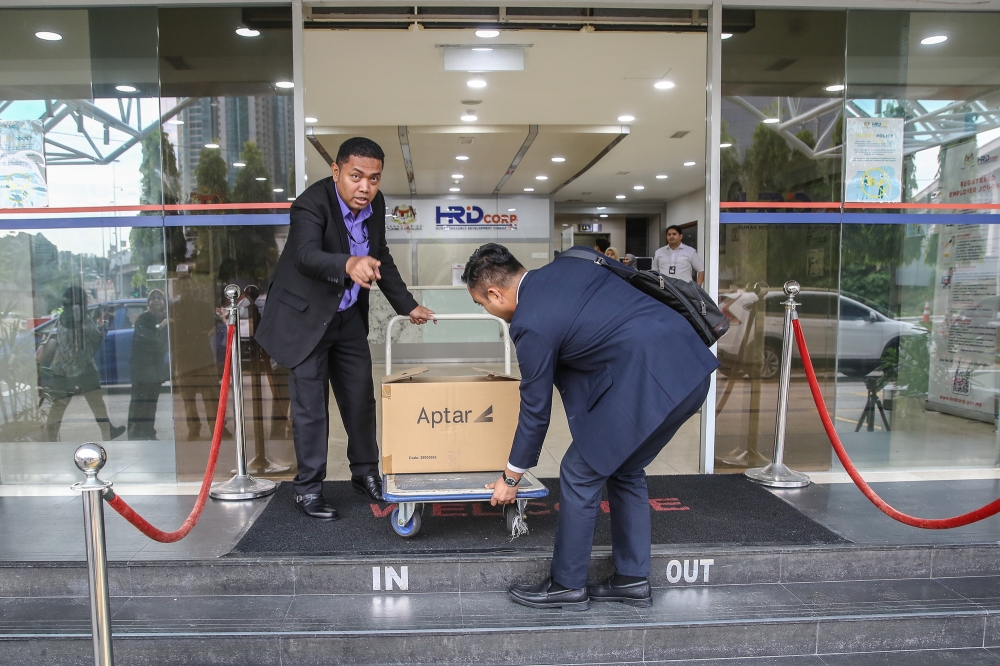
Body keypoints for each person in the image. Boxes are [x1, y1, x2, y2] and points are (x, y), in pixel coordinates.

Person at [463, 243, 717, 611]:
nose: (489, 311)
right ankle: (631, 580)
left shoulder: (529, 322)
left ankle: (566, 585)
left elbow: (536, 410)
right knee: (625, 467)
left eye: (483, 304)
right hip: (691, 369)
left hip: (649, 378)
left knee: (579, 472)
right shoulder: (572, 263)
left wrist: (511, 477)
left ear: (494, 292)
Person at [255, 137, 435, 521]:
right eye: (356, 176)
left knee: (360, 399)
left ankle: (365, 473)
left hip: (347, 318)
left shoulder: (376, 204)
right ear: (336, 172)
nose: (365, 188)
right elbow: (305, 255)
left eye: (373, 179)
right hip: (306, 321)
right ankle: (308, 489)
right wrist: (348, 263)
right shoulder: (311, 203)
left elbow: (381, 254)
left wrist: (408, 305)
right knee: (311, 409)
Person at [44, 286, 126, 442]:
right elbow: (98, 337)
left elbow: (77, 334)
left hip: (61, 368)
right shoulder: (84, 318)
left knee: (59, 406)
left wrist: (94, 319)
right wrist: (106, 320)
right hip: (84, 368)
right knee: (97, 404)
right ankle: (107, 432)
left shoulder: (62, 318)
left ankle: (51, 437)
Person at [127, 289, 169, 439]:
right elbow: (150, 339)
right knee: (139, 401)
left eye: (159, 298)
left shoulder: (165, 318)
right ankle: (135, 432)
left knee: (152, 401)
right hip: (142, 368)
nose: (156, 300)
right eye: (153, 298)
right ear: (148, 303)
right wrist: (162, 326)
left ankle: (149, 431)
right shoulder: (144, 319)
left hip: (156, 369)